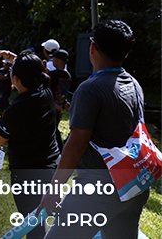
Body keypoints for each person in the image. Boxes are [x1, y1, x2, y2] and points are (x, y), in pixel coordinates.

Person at [39, 20, 150, 239]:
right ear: (126, 53)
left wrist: (54, 189)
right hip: (133, 186)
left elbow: (77, 143)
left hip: (98, 189)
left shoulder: (90, 89)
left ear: (92, 47)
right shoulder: (133, 84)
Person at [0, 50, 59, 239]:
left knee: (33, 228)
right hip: (51, 169)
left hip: (27, 175)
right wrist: (11, 57)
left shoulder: (18, 108)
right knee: (39, 222)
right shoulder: (47, 94)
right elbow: (32, 68)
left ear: (15, 79)